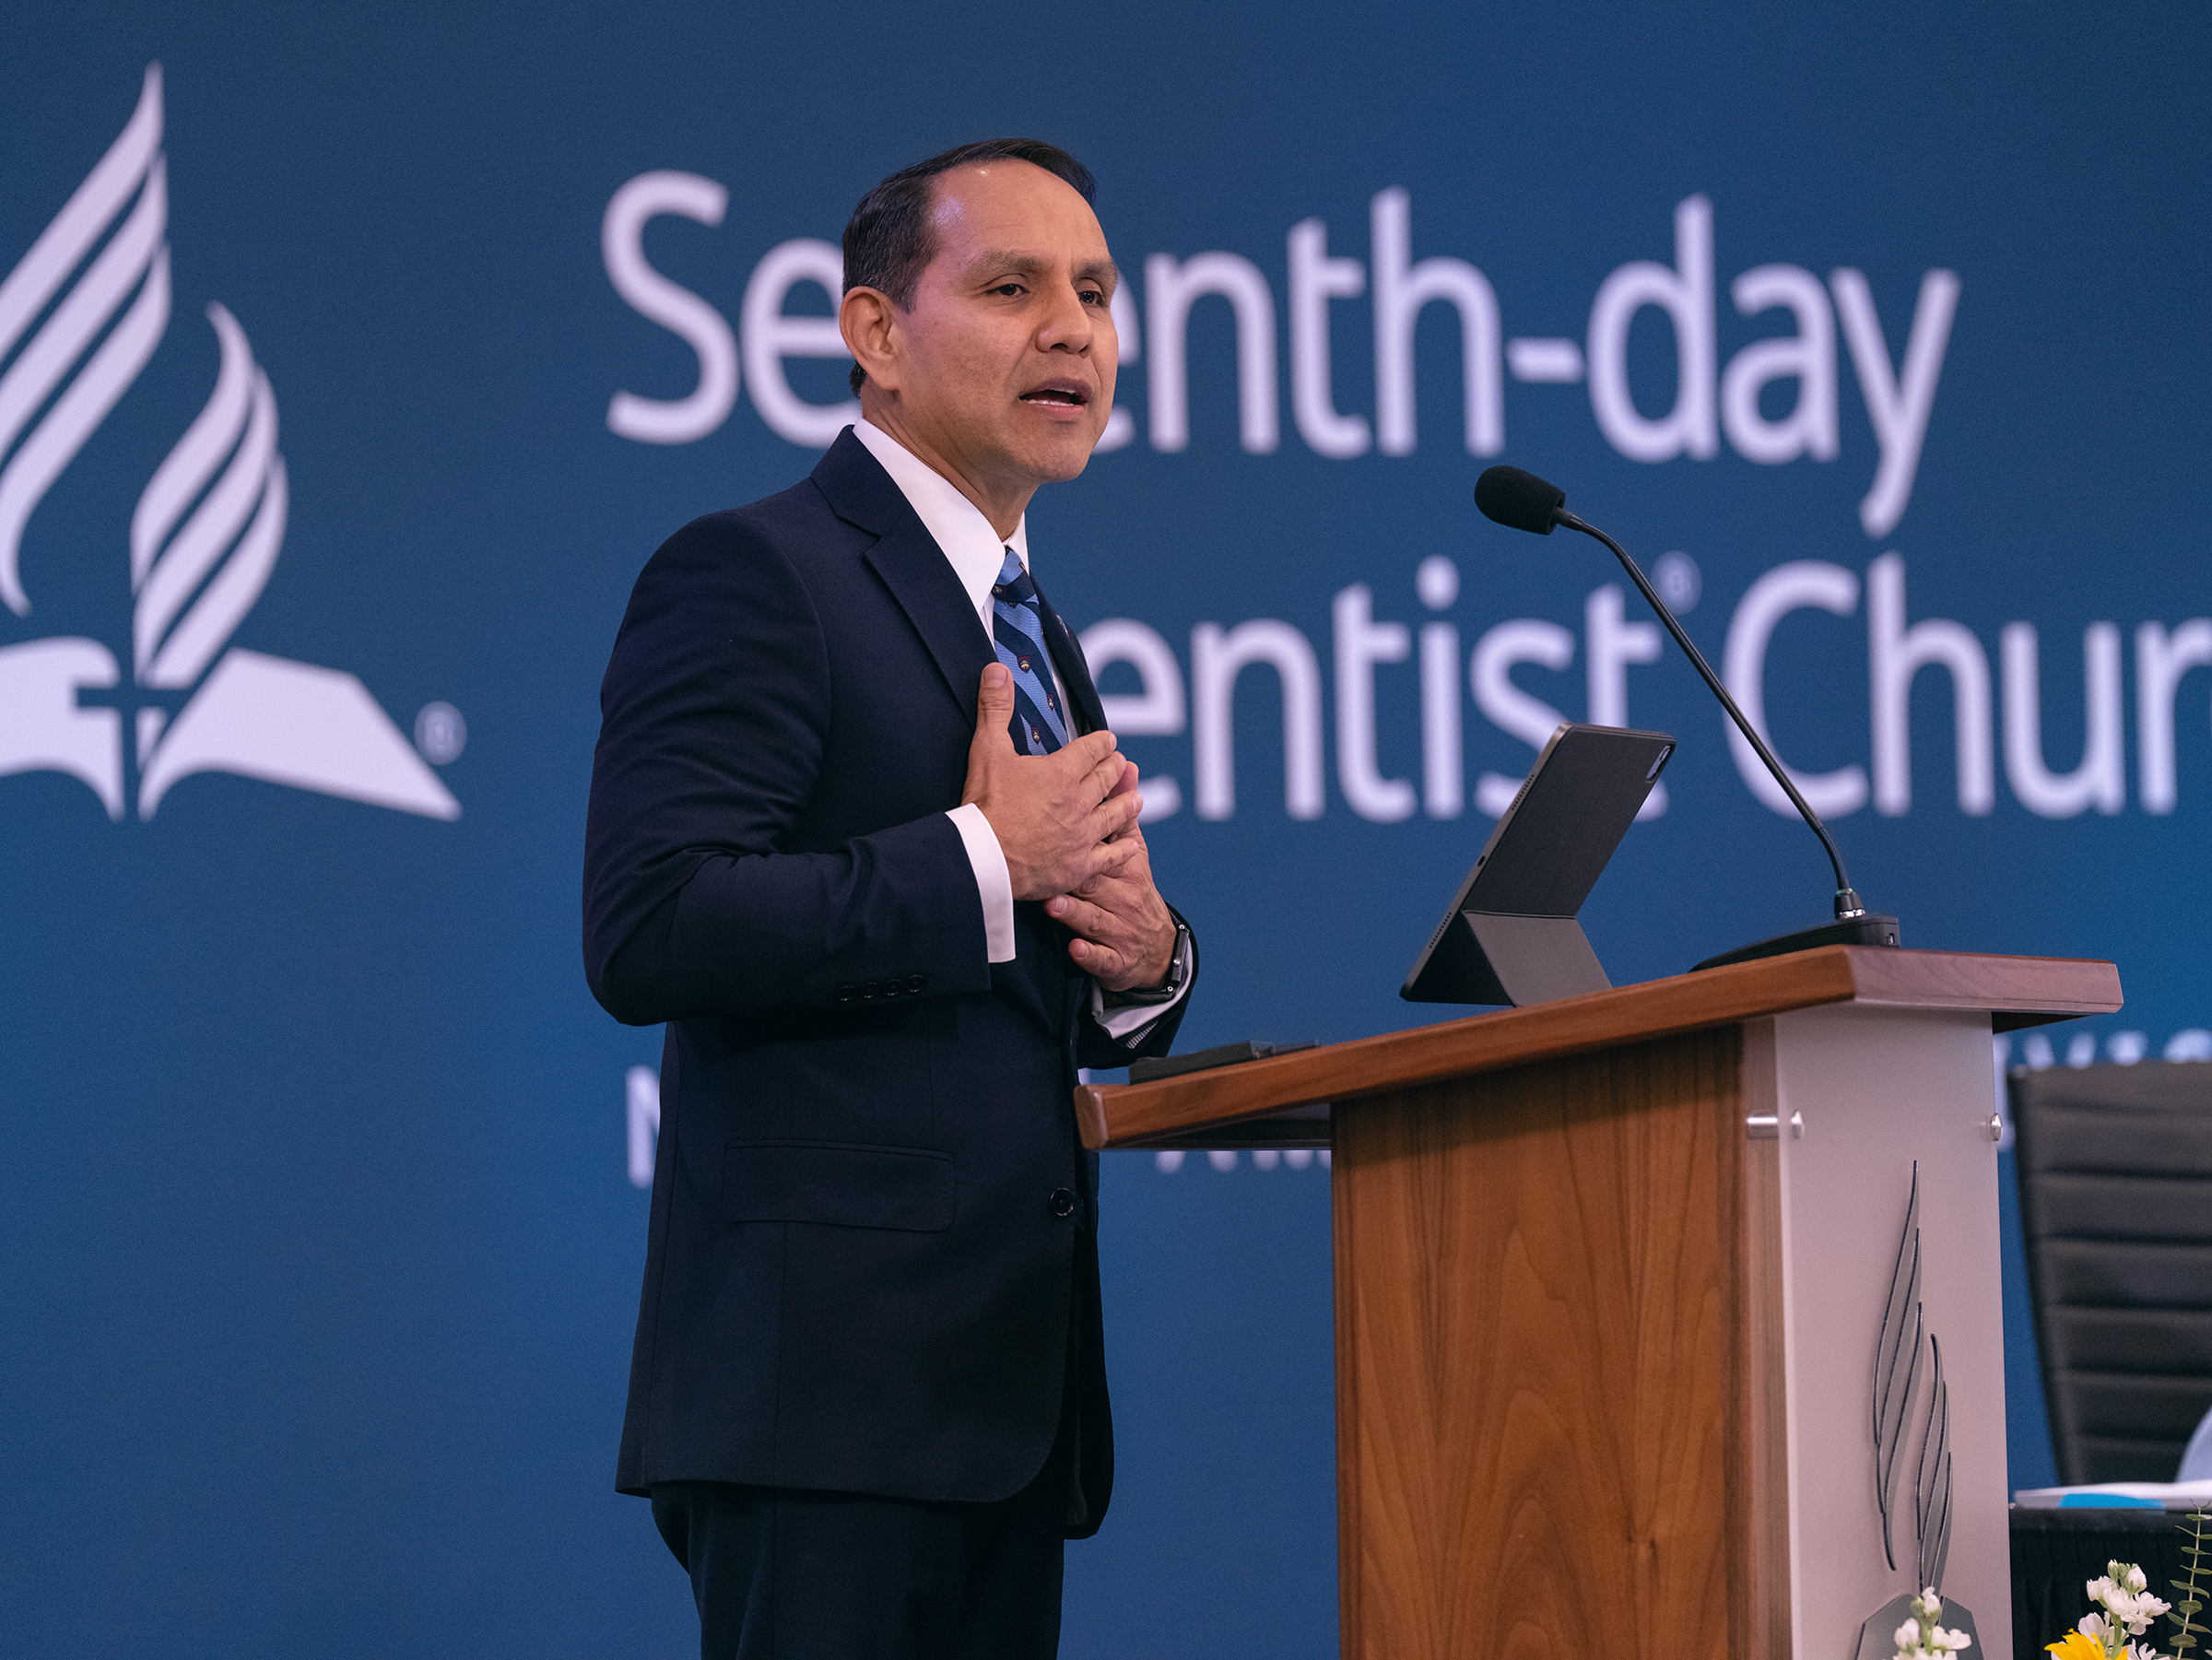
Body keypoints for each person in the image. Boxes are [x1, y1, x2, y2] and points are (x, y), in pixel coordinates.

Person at [582, 138, 1196, 1660]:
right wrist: (989, 861)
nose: (1072, 328)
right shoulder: (753, 571)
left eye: (1096, 293)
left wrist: (1146, 960)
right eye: (1010, 286)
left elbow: (1022, 942)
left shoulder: (1026, 615)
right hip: (825, 1403)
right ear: (874, 333)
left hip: (1000, 1389)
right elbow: (653, 920)